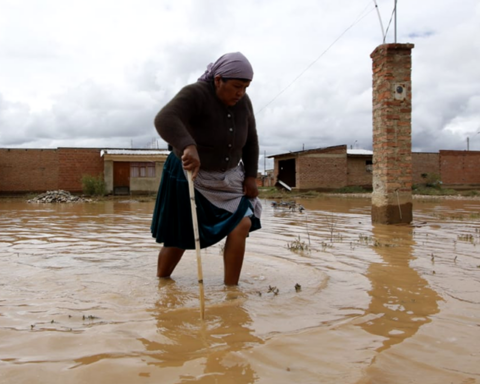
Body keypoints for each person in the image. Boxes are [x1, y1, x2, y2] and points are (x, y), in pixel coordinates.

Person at [151, 52, 262, 286]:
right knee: (179, 237)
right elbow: (165, 118)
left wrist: (250, 176)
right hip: (189, 174)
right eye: (236, 86)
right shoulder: (196, 94)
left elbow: (251, 140)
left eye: (246, 87)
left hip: (228, 179)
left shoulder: (244, 103)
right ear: (218, 79)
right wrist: (187, 146)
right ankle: (163, 285)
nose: (241, 93)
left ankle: (232, 291)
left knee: (242, 222)